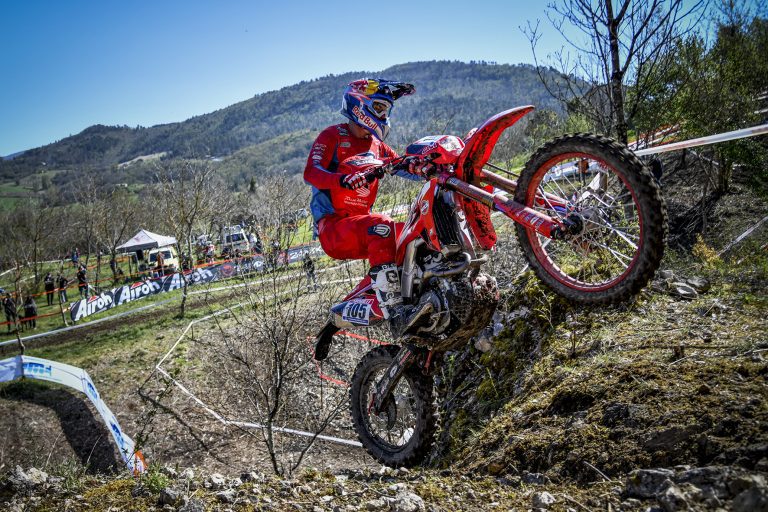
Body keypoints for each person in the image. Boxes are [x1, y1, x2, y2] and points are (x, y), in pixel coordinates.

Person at [304, 78, 432, 359]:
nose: (384, 114)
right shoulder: (332, 135)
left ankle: (420, 293)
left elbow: (400, 165)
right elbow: (311, 173)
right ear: (359, 104)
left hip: (361, 227)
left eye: (387, 110)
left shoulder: (376, 145)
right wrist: (341, 179)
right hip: (333, 227)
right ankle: (395, 310)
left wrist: (426, 166)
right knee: (381, 225)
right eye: (379, 108)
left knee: (412, 232)